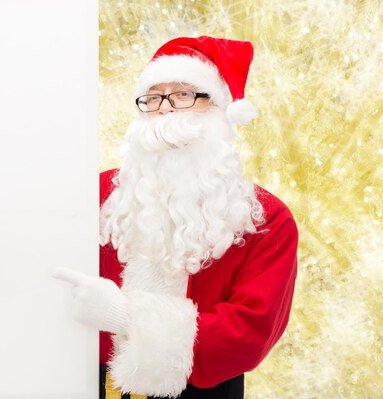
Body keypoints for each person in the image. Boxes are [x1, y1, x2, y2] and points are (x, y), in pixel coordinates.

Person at [53, 36, 298, 399]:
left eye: (184, 94)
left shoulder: (265, 219)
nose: (165, 109)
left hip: (201, 392)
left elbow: (250, 333)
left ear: (218, 110)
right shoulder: (98, 195)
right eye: (153, 97)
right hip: (88, 384)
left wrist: (125, 317)